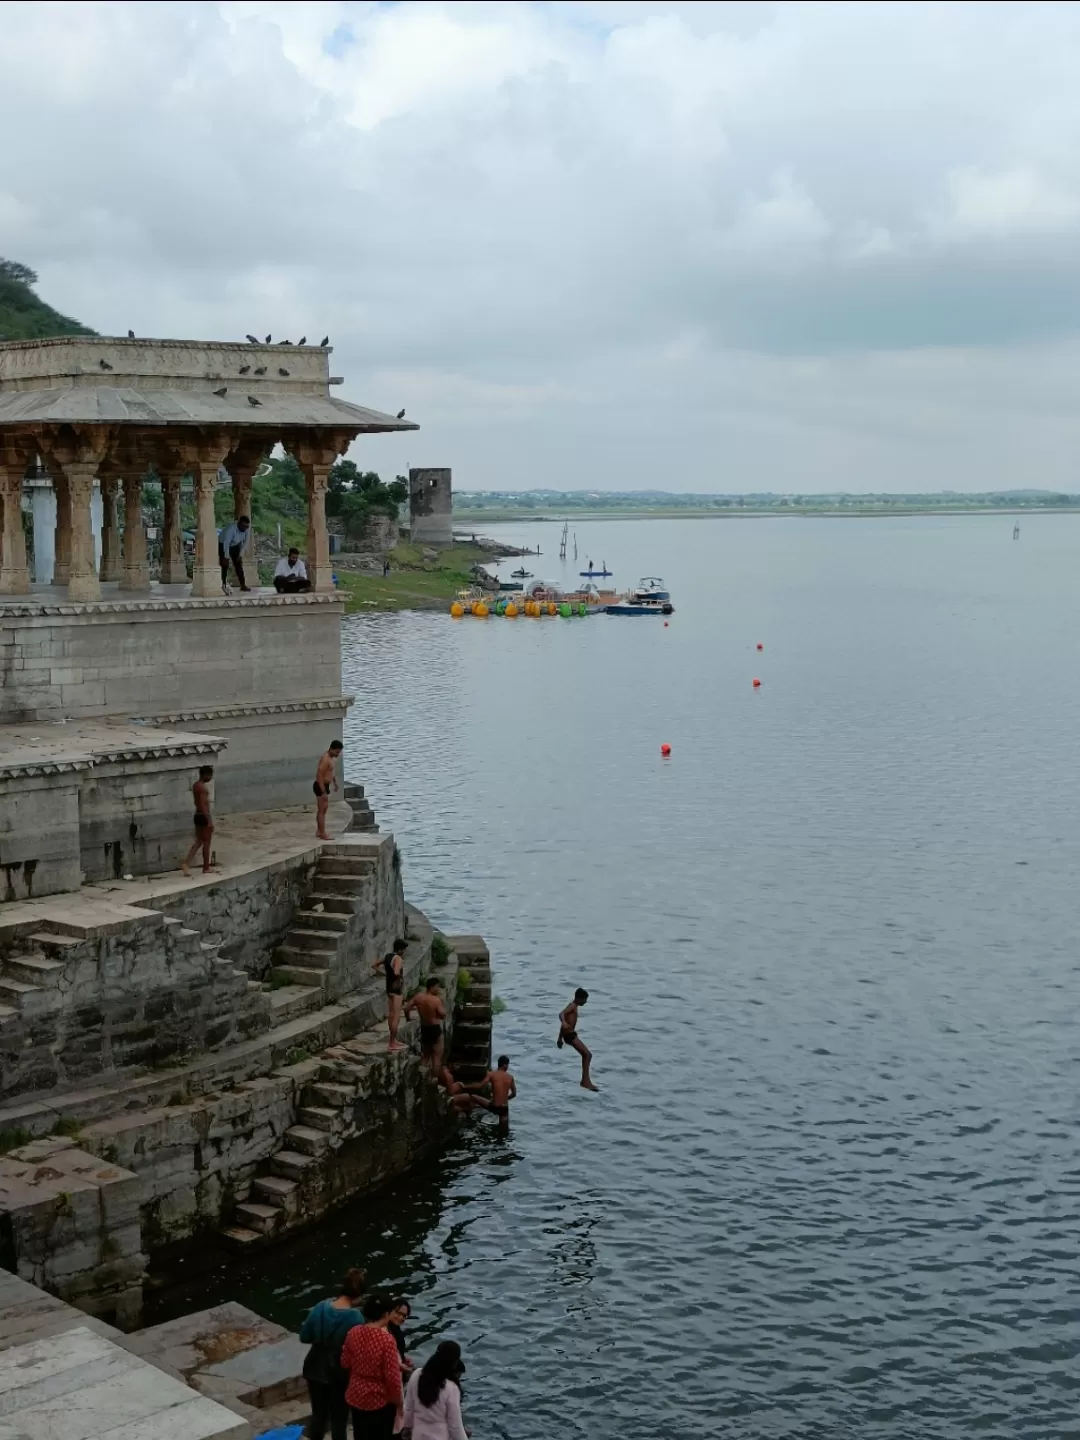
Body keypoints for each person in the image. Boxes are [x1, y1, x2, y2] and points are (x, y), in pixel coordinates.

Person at [300, 1268, 367, 1440]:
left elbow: (304, 1337)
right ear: (359, 1295)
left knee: (318, 1415)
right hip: (339, 1374)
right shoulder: (356, 1318)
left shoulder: (320, 1308)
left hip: (314, 1368)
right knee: (339, 1419)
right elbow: (359, 1352)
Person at [340, 1293, 404, 1440]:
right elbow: (393, 1379)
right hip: (379, 1400)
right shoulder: (387, 1341)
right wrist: (399, 1402)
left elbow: (344, 1362)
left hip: (355, 1394)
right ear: (386, 1313)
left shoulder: (353, 1332)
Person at [402, 1341, 468, 1440]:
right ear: (454, 1363)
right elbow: (455, 1427)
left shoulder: (416, 1374)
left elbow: (408, 1408)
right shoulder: (451, 1388)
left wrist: (406, 1428)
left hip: (418, 1435)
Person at [558, 987, 599, 1091]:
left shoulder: (574, 1007)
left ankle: (585, 1081)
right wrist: (563, 1022)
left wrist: (559, 1039)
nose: (586, 1002)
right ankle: (585, 1081)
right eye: (585, 1000)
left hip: (570, 1035)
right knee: (588, 1055)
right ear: (580, 999)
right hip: (570, 1036)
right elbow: (561, 1014)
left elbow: (565, 1023)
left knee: (587, 1055)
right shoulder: (572, 1005)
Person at [405, 978, 446, 1075]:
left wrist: (408, 1018)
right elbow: (443, 1014)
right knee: (436, 1056)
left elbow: (406, 1008)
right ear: (432, 987)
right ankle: (434, 1079)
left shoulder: (418, 997)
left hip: (424, 1028)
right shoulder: (436, 1000)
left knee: (426, 1055)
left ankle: (421, 1077)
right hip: (435, 1029)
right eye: (437, 987)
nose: (438, 989)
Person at [468, 1054, 517, 1134]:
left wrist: (466, 1086)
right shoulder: (510, 1077)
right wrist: (506, 1098)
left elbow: (480, 1086)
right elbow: (514, 1094)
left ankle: (470, 1119)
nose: (507, 1067)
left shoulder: (491, 1074)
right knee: (504, 1133)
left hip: (494, 1106)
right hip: (504, 1109)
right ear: (505, 1065)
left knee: (473, 1097)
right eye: (507, 1065)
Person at [373, 938, 407, 1052]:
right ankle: (392, 1043)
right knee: (396, 1017)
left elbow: (374, 965)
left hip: (389, 988)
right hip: (397, 990)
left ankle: (392, 1040)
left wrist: (386, 974)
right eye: (404, 950)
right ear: (401, 949)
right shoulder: (398, 958)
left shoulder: (388, 956)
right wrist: (397, 978)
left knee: (391, 1015)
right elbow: (397, 972)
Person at [180, 765, 215, 876]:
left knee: (199, 841)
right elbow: (203, 805)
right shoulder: (202, 788)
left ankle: (186, 863)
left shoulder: (196, 786)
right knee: (206, 843)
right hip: (203, 816)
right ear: (205, 775)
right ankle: (206, 867)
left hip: (197, 815)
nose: (210, 778)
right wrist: (209, 820)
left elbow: (198, 804)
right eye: (210, 775)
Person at [314, 740, 343, 841]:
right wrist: (323, 792)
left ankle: (319, 831)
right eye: (336, 752)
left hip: (325, 785)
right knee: (322, 811)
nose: (338, 754)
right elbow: (319, 774)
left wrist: (334, 782)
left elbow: (330, 771)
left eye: (339, 752)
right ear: (331, 749)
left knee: (322, 810)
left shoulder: (330, 758)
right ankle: (323, 834)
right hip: (321, 786)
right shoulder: (326, 759)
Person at [218, 515, 252, 593]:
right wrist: (226, 557)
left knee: (238, 564)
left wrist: (240, 554)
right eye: (243, 526)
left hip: (235, 544)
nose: (245, 528)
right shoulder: (231, 529)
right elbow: (226, 543)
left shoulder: (246, 529)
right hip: (223, 543)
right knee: (224, 565)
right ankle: (223, 584)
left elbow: (246, 542)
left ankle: (243, 585)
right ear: (239, 523)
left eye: (246, 526)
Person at [387, 1299, 413, 1376]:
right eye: (398, 1313)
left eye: (404, 1316)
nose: (401, 1317)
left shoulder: (396, 1328)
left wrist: (404, 1357)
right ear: (390, 1310)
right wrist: (398, 1364)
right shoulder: (385, 1330)